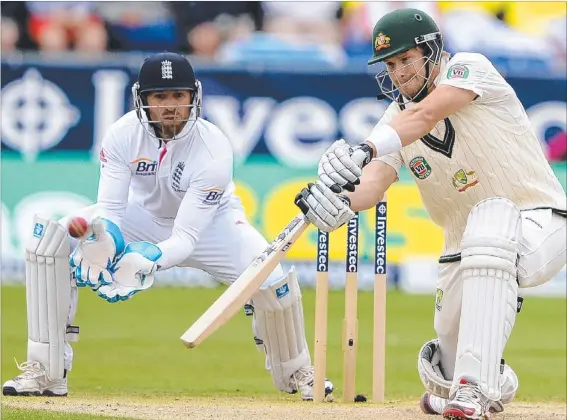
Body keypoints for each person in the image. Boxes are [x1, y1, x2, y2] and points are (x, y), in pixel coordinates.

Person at [2, 52, 333, 402]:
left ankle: (298, 372)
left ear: (194, 97)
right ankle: (45, 372)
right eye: (160, 97)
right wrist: (107, 241)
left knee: (271, 277)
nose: (171, 106)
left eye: (179, 95)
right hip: (141, 217)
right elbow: (112, 209)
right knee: (50, 241)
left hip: (211, 226)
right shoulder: (121, 135)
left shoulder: (213, 148)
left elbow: (186, 237)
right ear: (142, 99)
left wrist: (149, 260)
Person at [294, 8, 566, 420]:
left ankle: (473, 390)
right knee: (446, 367)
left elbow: (425, 115)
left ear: (431, 49)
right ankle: (486, 379)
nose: (399, 72)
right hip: (461, 248)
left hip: (540, 222)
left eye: (406, 59)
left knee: (490, 222)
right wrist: (339, 201)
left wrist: (365, 148)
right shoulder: (392, 121)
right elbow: (375, 183)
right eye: (390, 64)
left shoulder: (468, 68)